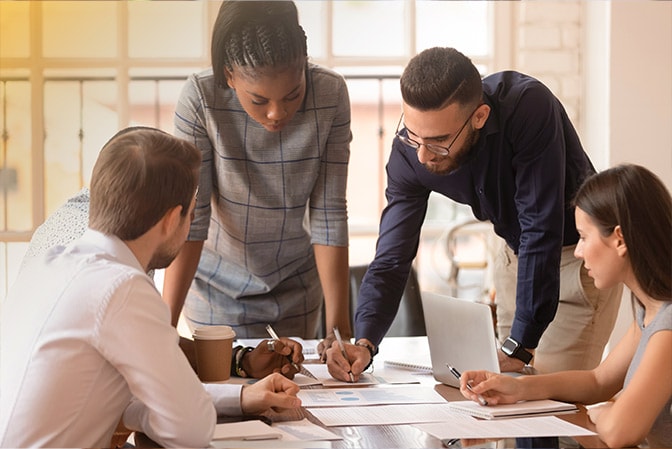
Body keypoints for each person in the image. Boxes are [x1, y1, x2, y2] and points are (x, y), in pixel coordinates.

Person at [326, 46, 623, 381]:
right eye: (413, 134)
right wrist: (365, 342)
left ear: (479, 117)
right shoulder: (409, 153)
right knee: (507, 397)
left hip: (579, 262)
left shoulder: (528, 107)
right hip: (515, 259)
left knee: (553, 400)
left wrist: (520, 346)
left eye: (439, 141)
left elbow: (540, 227)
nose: (423, 156)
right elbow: (392, 257)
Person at [0, 127, 301, 448]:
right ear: (172, 219)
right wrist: (159, 410)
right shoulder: (121, 287)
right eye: (192, 214)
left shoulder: (53, 264)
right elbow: (190, 430)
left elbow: (118, 398)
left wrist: (238, 397)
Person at [164, 0, 352, 344]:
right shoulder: (201, 98)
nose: (276, 114)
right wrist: (163, 325)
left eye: (293, 94)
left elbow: (329, 214)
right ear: (229, 76)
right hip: (216, 289)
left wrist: (340, 334)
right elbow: (193, 218)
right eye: (259, 100)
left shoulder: (330, 94)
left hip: (297, 285)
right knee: (228, 392)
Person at [459, 164, 672, 448]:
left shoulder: (668, 325)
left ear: (619, 239)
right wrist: (517, 388)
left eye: (584, 237)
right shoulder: (650, 310)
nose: (579, 252)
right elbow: (599, 381)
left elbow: (621, 431)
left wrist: (607, 412)